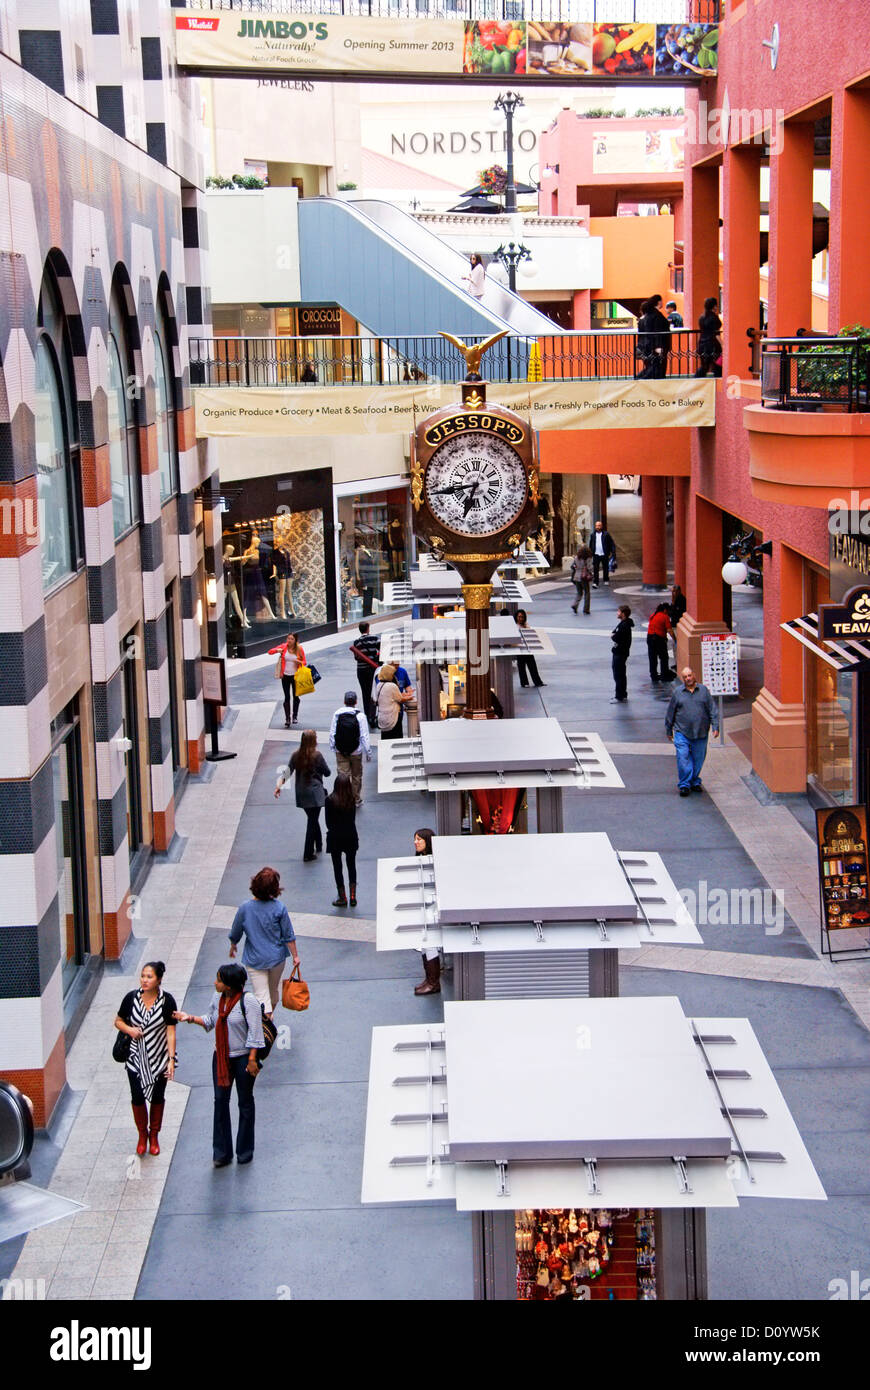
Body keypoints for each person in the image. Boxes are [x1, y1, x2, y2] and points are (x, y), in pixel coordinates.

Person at [174, 963, 264, 1168]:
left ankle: (244, 1151)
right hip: (222, 1058)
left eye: (219, 980)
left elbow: (255, 1033)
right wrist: (190, 1018)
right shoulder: (217, 998)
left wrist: (252, 1060)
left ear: (230, 985)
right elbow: (210, 1021)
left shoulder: (247, 1001)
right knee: (220, 1101)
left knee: (245, 1102)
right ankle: (222, 1153)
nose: (215, 983)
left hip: (243, 1058)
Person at [115, 961, 177, 1157]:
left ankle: (154, 1135)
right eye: (143, 976)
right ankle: (142, 1135)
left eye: (149, 977)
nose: (144, 980)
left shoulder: (167, 1001)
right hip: (135, 1057)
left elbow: (171, 1032)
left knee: (158, 1097)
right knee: (137, 1097)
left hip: (158, 1057)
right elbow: (118, 1021)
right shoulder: (131, 998)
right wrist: (130, 1030)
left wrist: (171, 1059)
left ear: (159, 979)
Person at [228, 867, 299, 1016]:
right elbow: (288, 935)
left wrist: (234, 944)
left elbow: (236, 930)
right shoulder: (279, 908)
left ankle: (266, 1022)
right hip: (276, 958)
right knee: (273, 991)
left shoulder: (245, 908)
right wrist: (295, 956)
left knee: (261, 994)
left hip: (255, 958)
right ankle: (269, 1018)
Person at [275, 729, 331, 861]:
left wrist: (278, 787)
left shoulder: (296, 755)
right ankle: (307, 853)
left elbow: (287, 772)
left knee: (312, 817)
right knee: (312, 821)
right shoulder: (317, 756)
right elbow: (327, 772)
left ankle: (319, 844)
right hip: (315, 793)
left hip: (302, 792)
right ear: (314, 741)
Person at [664, 666, 720, 796]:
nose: (688, 678)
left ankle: (694, 781)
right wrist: (668, 729)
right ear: (682, 679)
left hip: (700, 732)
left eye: (689, 675)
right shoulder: (678, 693)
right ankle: (684, 784)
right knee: (683, 758)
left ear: (694, 675)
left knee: (698, 759)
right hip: (682, 732)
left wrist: (715, 727)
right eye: (685, 677)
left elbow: (712, 709)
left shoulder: (704, 691)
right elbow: (670, 712)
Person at [329, 690, 371, 807]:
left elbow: (332, 733)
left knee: (343, 775)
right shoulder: (360, 716)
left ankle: (343, 798)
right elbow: (364, 735)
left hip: (340, 750)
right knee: (356, 776)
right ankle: (356, 799)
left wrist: (333, 747)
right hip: (356, 751)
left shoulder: (337, 714)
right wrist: (368, 752)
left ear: (344, 701)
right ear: (356, 702)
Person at [412, 828, 440, 997]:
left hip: (432, 908)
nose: (416, 842)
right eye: (415, 839)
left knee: (430, 944)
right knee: (425, 944)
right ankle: (429, 979)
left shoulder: (432, 861)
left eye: (419, 840)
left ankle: (433, 982)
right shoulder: (422, 859)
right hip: (426, 907)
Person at [325, 772, 359, 908]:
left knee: (337, 867)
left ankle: (342, 897)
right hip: (350, 835)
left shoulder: (329, 800)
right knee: (351, 866)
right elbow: (353, 819)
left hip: (335, 837)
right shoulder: (351, 799)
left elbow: (328, 822)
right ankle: (353, 896)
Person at [269, 631, 305, 727]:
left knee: (296, 696)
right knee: (287, 697)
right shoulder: (284, 647)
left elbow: (304, 662)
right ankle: (287, 718)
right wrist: (277, 651)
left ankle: (295, 716)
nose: (289, 640)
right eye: (288, 638)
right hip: (285, 676)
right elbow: (270, 652)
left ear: (295, 640)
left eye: (292, 639)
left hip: (296, 676)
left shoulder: (299, 649)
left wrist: (297, 661)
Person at [350, 621, 381, 729]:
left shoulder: (356, 642)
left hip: (361, 670)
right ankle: (373, 716)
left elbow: (357, 658)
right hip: (373, 669)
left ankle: (368, 715)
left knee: (365, 692)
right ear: (368, 628)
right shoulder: (375, 639)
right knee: (374, 692)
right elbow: (381, 650)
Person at [375, 662, 414, 739]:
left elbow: (391, 696)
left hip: (383, 717)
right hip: (393, 717)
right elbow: (400, 699)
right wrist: (410, 697)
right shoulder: (392, 686)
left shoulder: (379, 685)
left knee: (385, 738)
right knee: (396, 737)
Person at [636, 295, 671, 379]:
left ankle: (638, 380)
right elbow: (656, 331)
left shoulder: (648, 316)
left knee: (652, 368)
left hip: (647, 347)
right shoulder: (656, 315)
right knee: (656, 369)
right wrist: (658, 346)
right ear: (658, 302)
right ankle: (638, 380)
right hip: (654, 347)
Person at [514, 609, 545, 688]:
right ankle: (524, 683)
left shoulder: (526, 624)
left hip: (527, 648)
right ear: (516, 617)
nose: (520, 619)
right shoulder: (515, 626)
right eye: (519, 617)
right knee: (521, 666)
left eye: (522, 617)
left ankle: (537, 681)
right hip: (520, 648)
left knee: (532, 665)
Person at [610, 604, 634, 703]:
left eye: (619, 611)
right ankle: (622, 693)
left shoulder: (624, 626)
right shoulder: (625, 624)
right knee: (621, 674)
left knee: (618, 674)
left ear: (623, 614)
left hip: (620, 653)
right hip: (621, 652)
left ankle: (619, 695)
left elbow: (615, 636)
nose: (617, 613)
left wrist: (613, 636)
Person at [646, 603, 674, 684]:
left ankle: (654, 675)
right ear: (665, 610)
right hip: (659, 639)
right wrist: (675, 639)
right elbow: (669, 630)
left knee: (652, 658)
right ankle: (664, 676)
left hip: (650, 638)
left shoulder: (653, 615)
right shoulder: (665, 616)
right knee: (664, 657)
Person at [695, 297, 723, 377]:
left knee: (704, 366)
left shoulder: (702, 317)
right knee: (717, 366)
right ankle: (719, 383)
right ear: (714, 306)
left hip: (702, 344)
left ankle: (695, 381)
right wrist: (722, 344)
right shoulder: (714, 317)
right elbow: (716, 333)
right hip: (712, 345)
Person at [588, 520, 616, 589]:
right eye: (596, 526)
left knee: (605, 568)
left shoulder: (606, 534)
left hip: (604, 554)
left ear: (602, 526)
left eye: (599, 525)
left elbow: (611, 543)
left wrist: (613, 552)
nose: (597, 527)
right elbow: (591, 544)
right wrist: (590, 553)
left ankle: (606, 580)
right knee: (595, 569)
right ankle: (595, 582)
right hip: (596, 554)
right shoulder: (593, 535)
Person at [570, 545, 593, 614]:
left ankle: (575, 604)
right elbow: (590, 567)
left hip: (576, 577)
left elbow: (572, 566)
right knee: (587, 593)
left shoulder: (576, 557)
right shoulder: (588, 558)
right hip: (584, 577)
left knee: (579, 593)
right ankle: (586, 609)